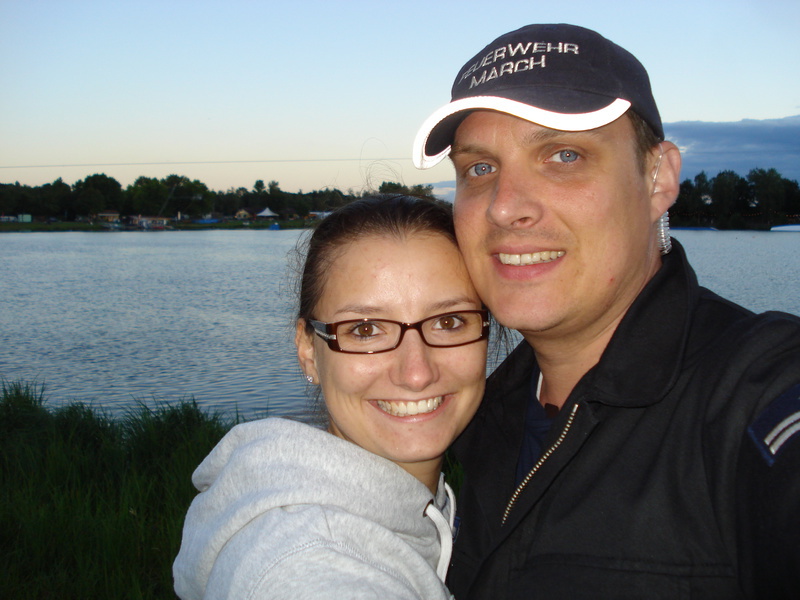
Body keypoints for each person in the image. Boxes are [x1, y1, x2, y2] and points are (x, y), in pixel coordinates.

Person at [412, 23, 800, 599]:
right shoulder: (474, 415)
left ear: (658, 177)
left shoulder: (756, 390)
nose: (504, 207)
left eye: (564, 155)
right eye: (480, 168)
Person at [173, 195, 490, 599]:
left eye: (449, 321)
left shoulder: (444, 512)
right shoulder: (307, 567)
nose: (416, 373)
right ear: (308, 349)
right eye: (365, 329)